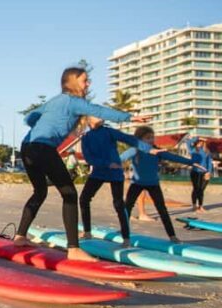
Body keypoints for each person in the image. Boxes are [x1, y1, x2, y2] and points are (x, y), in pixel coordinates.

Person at [14, 66, 148, 261]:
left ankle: (20, 236)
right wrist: (129, 117)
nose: (88, 84)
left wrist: (45, 122)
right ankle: (74, 249)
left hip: (27, 147)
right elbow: (97, 110)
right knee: (69, 194)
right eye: (85, 80)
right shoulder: (73, 101)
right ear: (72, 82)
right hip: (43, 147)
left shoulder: (54, 101)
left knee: (40, 191)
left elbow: (29, 118)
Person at [79, 117, 161, 246]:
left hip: (115, 172)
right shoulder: (86, 137)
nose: (100, 117)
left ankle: (126, 238)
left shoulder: (109, 131)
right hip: (99, 171)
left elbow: (129, 139)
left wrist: (148, 148)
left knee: (118, 204)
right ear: (89, 120)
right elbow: (89, 158)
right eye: (96, 115)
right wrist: (107, 164)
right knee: (84, 199)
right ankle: (87, 232)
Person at [121, 126, 207, 243]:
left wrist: (192, 163)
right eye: (148, 138)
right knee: (127, 209)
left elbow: (174, 157)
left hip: (153, 184)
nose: (151, 140)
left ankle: (172, 236)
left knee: (162, 210)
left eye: (152, 137)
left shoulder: (157, 151)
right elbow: (120, 158)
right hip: (136, 183)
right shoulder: (135, 150)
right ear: (139, 139)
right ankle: (125, 236)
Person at [187, 137, 214, 213]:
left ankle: (201, 206)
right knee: (196, 189)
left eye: (202, 142)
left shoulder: (206, 151)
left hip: (204, 172)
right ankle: (194, 206)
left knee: (201, 190)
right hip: (195, 172)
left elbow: (209, 162)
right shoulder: (192, 150)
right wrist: (198, 137)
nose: (201, 143)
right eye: (199, 142)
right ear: (196, 143)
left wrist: (209, 172)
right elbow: (188, 142)